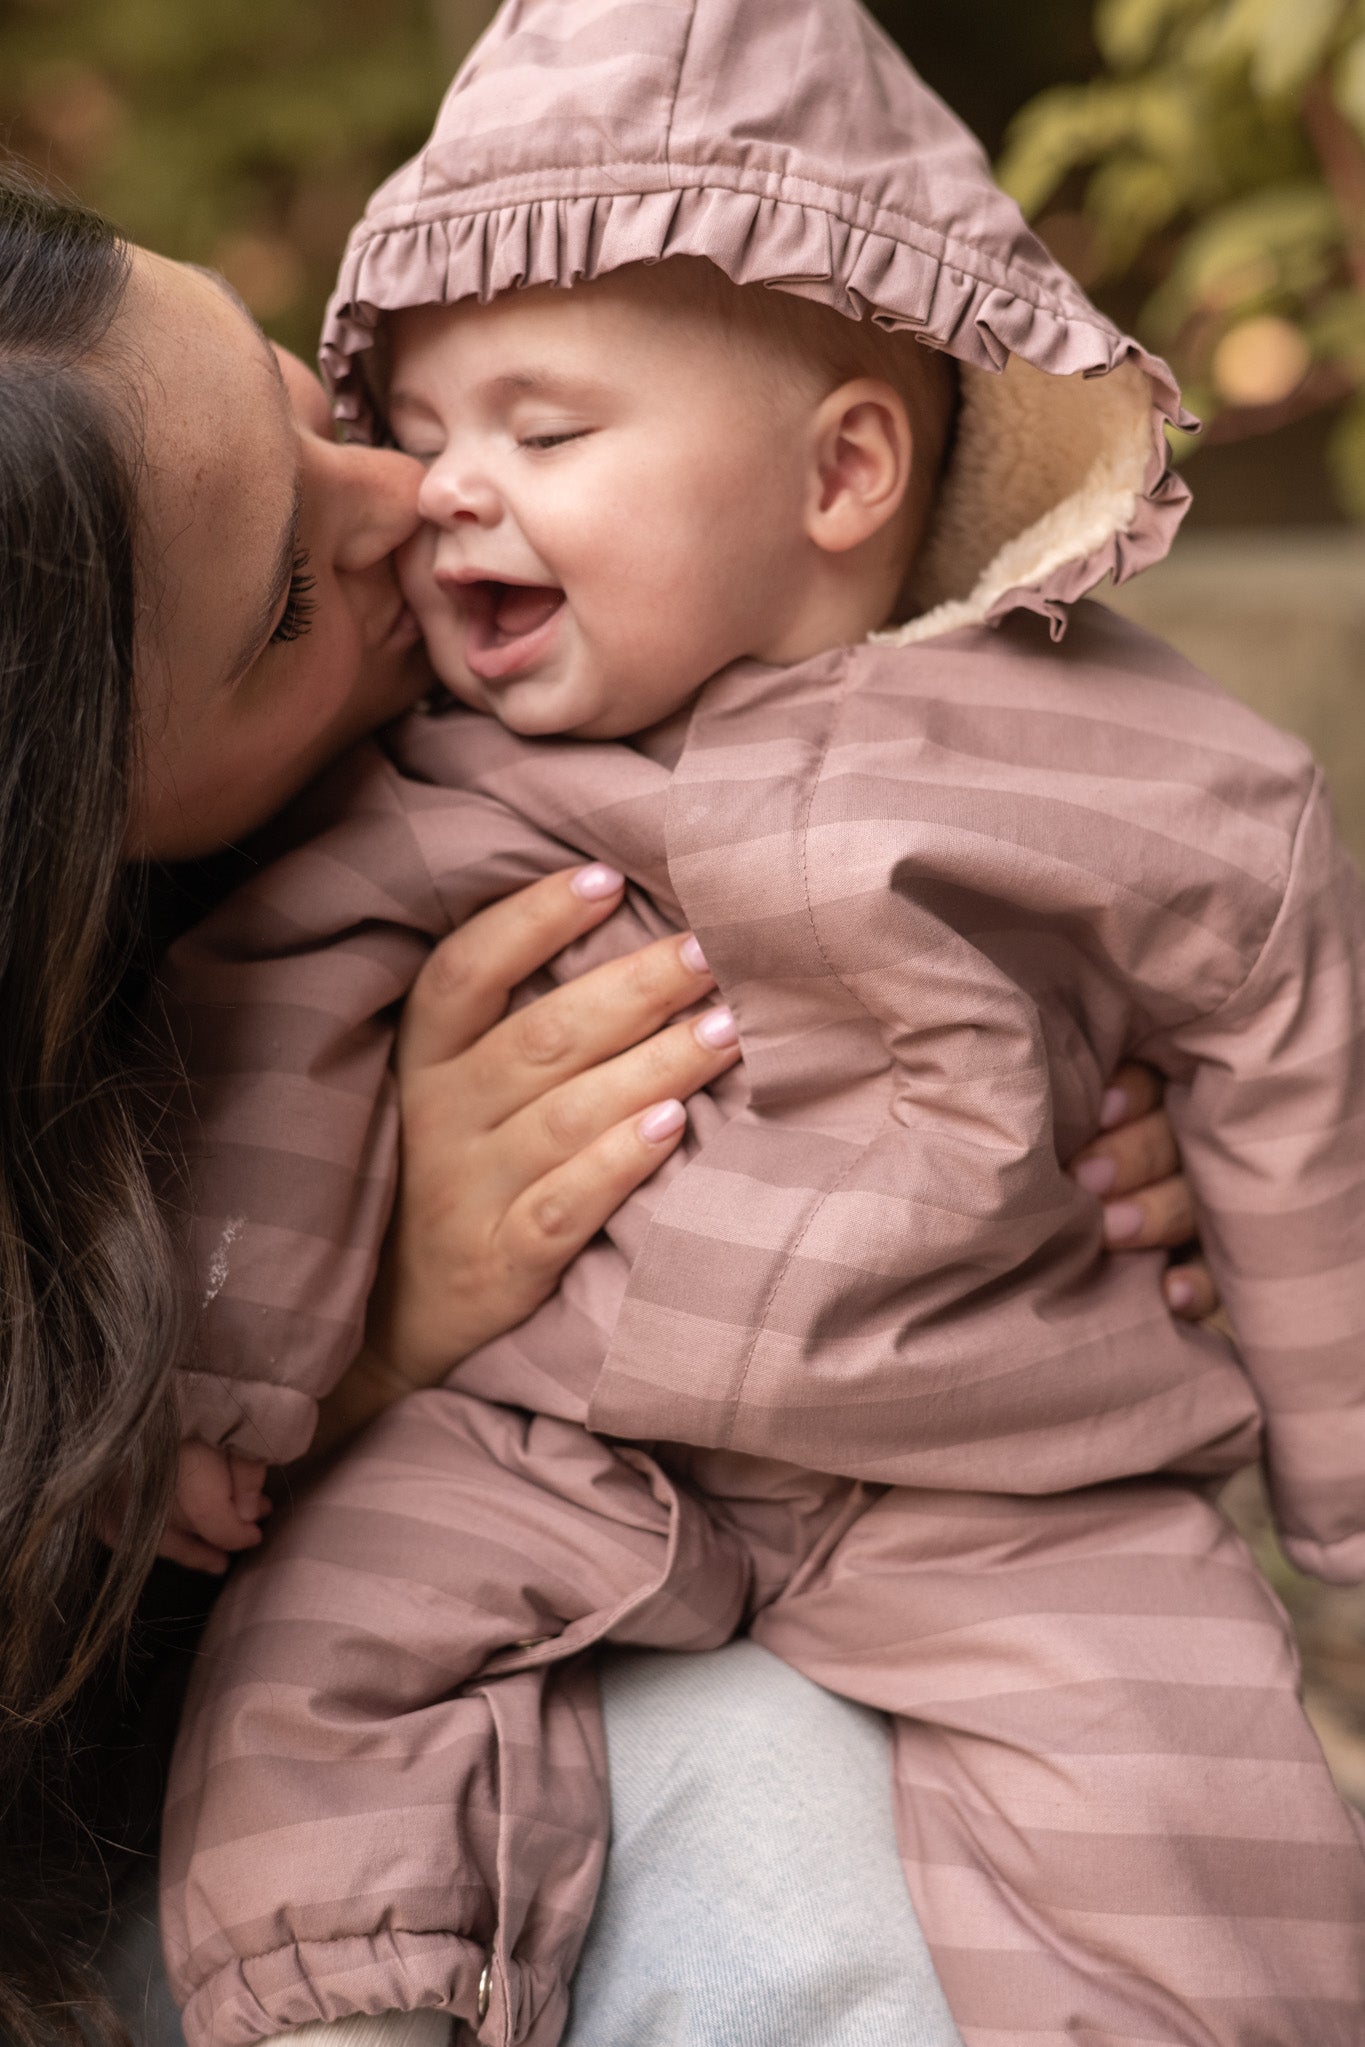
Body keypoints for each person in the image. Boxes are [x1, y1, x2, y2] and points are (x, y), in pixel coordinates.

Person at [155, 1, 1365, 2042]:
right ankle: (338, 2000)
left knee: (1185, 1775)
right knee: (320, 1651)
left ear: (843, 469)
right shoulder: (439, 785)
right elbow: (273, 1034)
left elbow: (1288, 1093)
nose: (443, 493)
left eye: (541, 437)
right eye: (428, 428)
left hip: (997, 1463)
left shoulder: (1136, 771)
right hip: (537, 1422)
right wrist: (231, 1382)